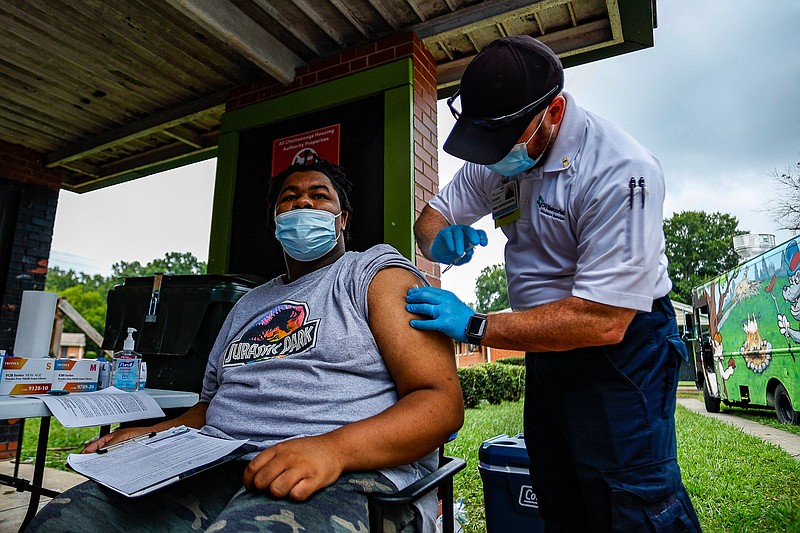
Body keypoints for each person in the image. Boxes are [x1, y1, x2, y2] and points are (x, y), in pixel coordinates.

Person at [28, 158, 463, 533]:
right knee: (68, 519)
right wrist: (150, 434)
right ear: (275, 219)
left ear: (342, 218)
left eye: (319, 196)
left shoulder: (373, 275)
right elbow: (212, 407)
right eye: (289, 198)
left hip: (344, 471)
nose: (303, 204)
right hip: (212, 463)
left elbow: (439, 402)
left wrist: (333, 448)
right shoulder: (249, 304)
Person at [405, 36, 702, 532]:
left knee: (631, 499)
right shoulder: (498, 150)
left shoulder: (619, 171)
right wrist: (439, 241)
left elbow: (603, 320)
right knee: (557, 488)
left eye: (502, 144)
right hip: (544, 346)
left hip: (622, 351)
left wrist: (477, 325)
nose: (492, 158)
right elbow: (429, 217)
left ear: (554, 111)